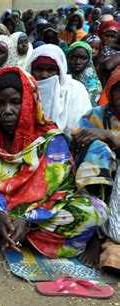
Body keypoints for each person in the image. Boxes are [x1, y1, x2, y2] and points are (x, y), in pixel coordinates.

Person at [0, 66, 109, 258]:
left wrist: (29, 219)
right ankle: (6, 234)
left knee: (95, 210)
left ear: (30, 102)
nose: (7, 111)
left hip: (37, 215)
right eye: (0, 104)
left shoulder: (50, 139)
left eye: (15, 102)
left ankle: (5, 237)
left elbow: (61, 191)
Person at [72, 67, 120, 269]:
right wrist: (101, 141)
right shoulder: (96, 114)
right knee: (98, 150)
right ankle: (93, 231)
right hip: (94, 178)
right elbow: (78, 140)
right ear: (110, 90)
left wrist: (110, 137)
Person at [26, 44, 91, 135]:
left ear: (60, 72)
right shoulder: (24, 90)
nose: (44, 75)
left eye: (51, 70)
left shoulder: (75, 90)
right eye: (39, 69)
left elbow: (81, 128)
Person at [67, 41, 102, 107]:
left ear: (89, 60)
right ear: (67, 58)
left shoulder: (95, 86)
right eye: (73, 57)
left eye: (83, 58)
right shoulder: (60, 81)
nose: (77, 62)